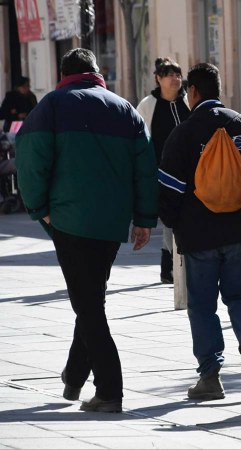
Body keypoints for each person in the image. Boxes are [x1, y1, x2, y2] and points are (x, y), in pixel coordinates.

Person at [15, 48, 158, 413]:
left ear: (65, 73)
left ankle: (110, 390)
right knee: (92, 296)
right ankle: (74, 376)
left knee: (88, 304)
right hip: (110, 224)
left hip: (69, 221)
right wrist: (143, 218)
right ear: (96, 73)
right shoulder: (124, 109)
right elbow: (145, 166)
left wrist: (39, 210)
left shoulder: (51, 106)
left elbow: (28, 159)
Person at [159, 63, 241, 400]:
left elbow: (168, 192)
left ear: (193, 93)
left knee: (202, 305)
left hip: (198, 237)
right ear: (218, 89)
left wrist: (175, 223)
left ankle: (210, 377)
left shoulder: (182, 134)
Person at [137, 57, 191, 284]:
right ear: (158, 79)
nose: (175, 79)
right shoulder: (148, 105)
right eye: (169, 75)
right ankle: (173, 266)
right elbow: (139, 139)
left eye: (178, 75)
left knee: (178, 219)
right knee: (171, 219)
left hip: (188, 172)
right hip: (161, 174)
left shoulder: (187, 102)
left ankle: (168, 268)